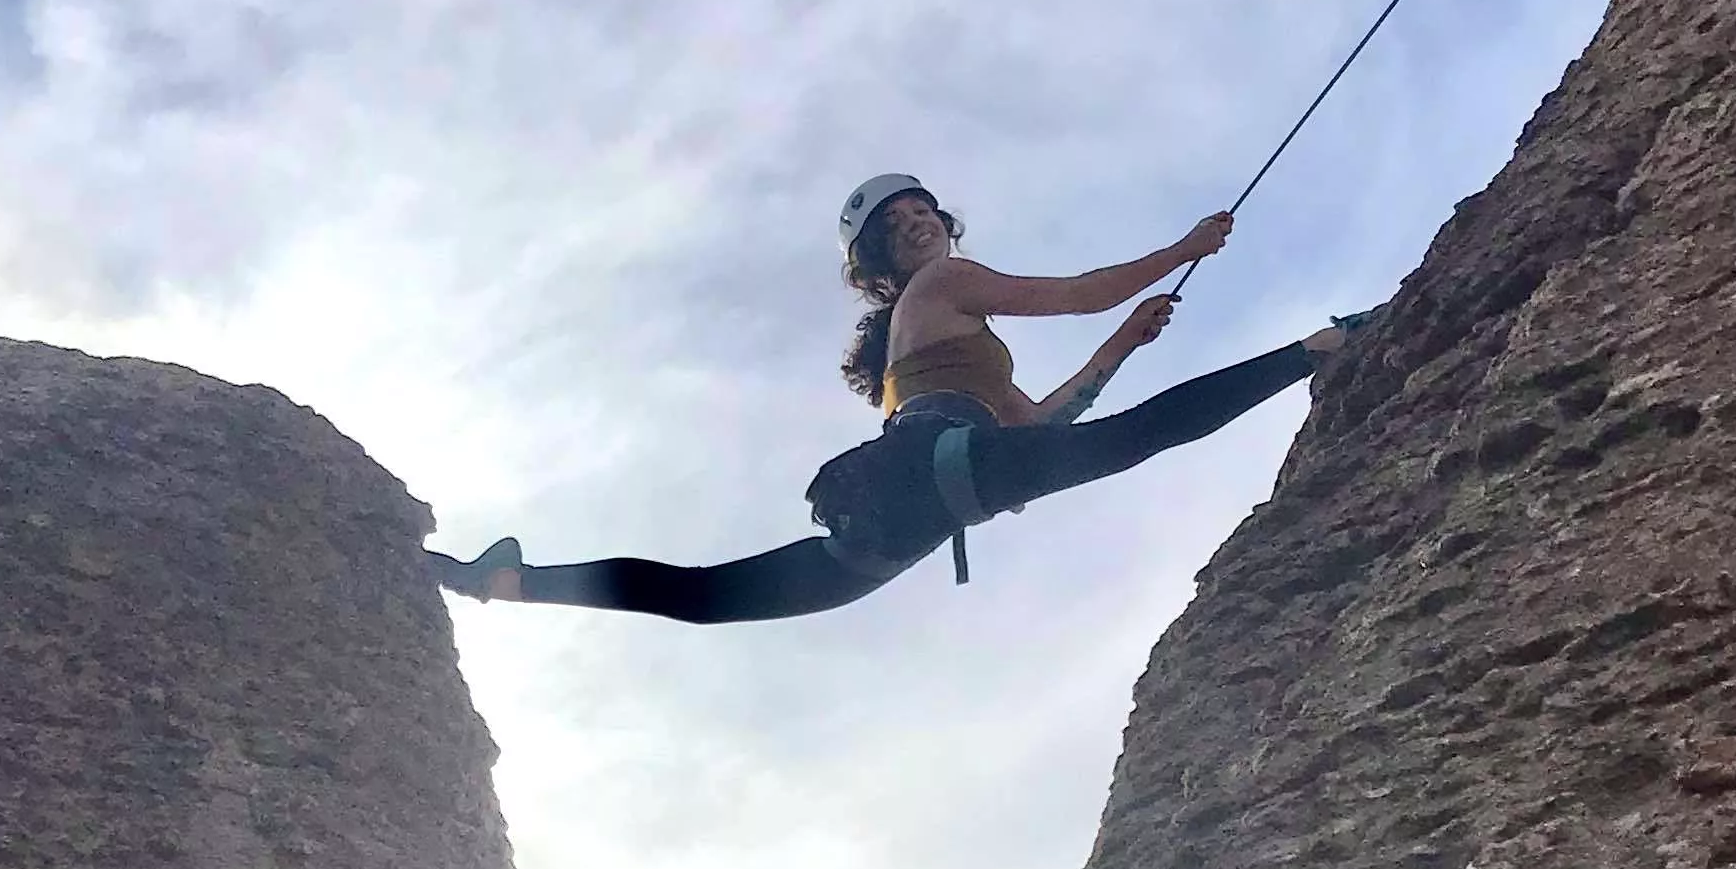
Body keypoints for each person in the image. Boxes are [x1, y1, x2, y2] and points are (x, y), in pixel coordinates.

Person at [426, 174, 1373, 622]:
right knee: (1143, 439)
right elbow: (1077, 292)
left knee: (711, 597)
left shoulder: (941, 356)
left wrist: (1123, 342)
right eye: (902, 230)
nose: (922, 231)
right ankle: (1327, 344)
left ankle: (503, 582)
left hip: (910, 512)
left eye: (927, 218)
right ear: (888, 265)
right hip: (945, 470)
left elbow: (1045, 425)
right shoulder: (943, 288)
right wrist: (1181, 250)